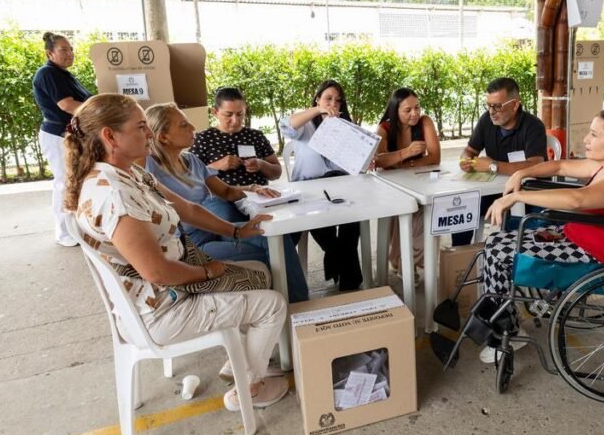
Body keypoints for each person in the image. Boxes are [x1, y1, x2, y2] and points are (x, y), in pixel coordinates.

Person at [64, 94, 288, 412]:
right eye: (141, 127)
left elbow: (188, 209)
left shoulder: (131, 174)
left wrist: (238, 231)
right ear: (110, 136)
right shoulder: (114, 194)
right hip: (160, 309)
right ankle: (248, 389)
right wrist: (208, 272)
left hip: (164, 289)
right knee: (273, 304)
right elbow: (156, 272)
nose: (149, 134)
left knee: (260, 272)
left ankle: (239, 360)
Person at [476, 108, 604, 364]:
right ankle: (502, 321)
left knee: (500, 252)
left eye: (594, 135)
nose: (586, 140)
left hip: (593, 251)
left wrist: (517, 196)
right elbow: (560, 164)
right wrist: (522, 173)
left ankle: (505, 329)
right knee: (494, 242)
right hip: (575, 236)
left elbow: (577, 199)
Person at [145, 103, 309, 302]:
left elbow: (227, 191)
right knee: (271, 254)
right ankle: (289, 306)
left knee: (276, 238)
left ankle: (298, 303)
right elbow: (189, 210)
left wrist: (254, 188)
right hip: (192, 246)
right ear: (163, 136)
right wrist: (236, 231)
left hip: (217, 231)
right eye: (183, 125)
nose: (192, 128)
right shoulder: (148, 167)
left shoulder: (190, 160)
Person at [279, 80, 363, 291]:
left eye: (338, 100)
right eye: (328, 98)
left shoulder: (346, 126)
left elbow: (357, 161)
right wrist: (319, 110)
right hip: (309, 188)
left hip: (341, 185)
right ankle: (349, 276)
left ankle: (337, 264)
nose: (333, 103)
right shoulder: (306, 125)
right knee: (319, 221)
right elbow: (287, 125)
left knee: (353, 221)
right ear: (317, 99)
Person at [453, 77, 547, 246]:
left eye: (497, 106)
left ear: (515, 104)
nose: (491, 111)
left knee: (521, 228)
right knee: (462, 207)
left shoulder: (533, 126)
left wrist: (492, 166)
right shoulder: (486, 121)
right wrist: (465, 160)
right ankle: (460, 257)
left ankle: (510, 260)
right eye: (488, 105)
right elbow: (470, 150)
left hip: (528, 193)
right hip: (495, 191)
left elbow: (535, 165)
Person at [31, 32, 92, 247]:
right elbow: (66, 104)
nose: (69, 54)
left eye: (71, 49)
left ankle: (77, 228)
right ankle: (64, 232)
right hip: (57, 136)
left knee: (75, 181)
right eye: (64, 50)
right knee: (64, 183)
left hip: (71, 135)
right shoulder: (48, 73)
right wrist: (98, 110)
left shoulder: (63, 73)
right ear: (50, 53)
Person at [374, 88, 441, 279]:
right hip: (391, 188)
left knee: (428, 208)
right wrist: (407, 153)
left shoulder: (425, 122)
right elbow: (377, 160)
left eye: (417, 108)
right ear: (395, 111)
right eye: (408, 110)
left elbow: (435, 157)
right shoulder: (384, 129)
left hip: (419, 183)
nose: (415, 113)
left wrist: (405, 164)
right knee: (406, 209)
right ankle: (403, 261)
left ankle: (407, 262)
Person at [190, 87, 283, 187]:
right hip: (222, 199)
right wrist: (216, 166)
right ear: (215, 112)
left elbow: (277, 173)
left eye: (240, 114)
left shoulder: (255, 136)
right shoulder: (204, 138)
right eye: (228, 114)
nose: (235, 120)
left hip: (260, 197)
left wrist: (261, 165)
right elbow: (189, 177)